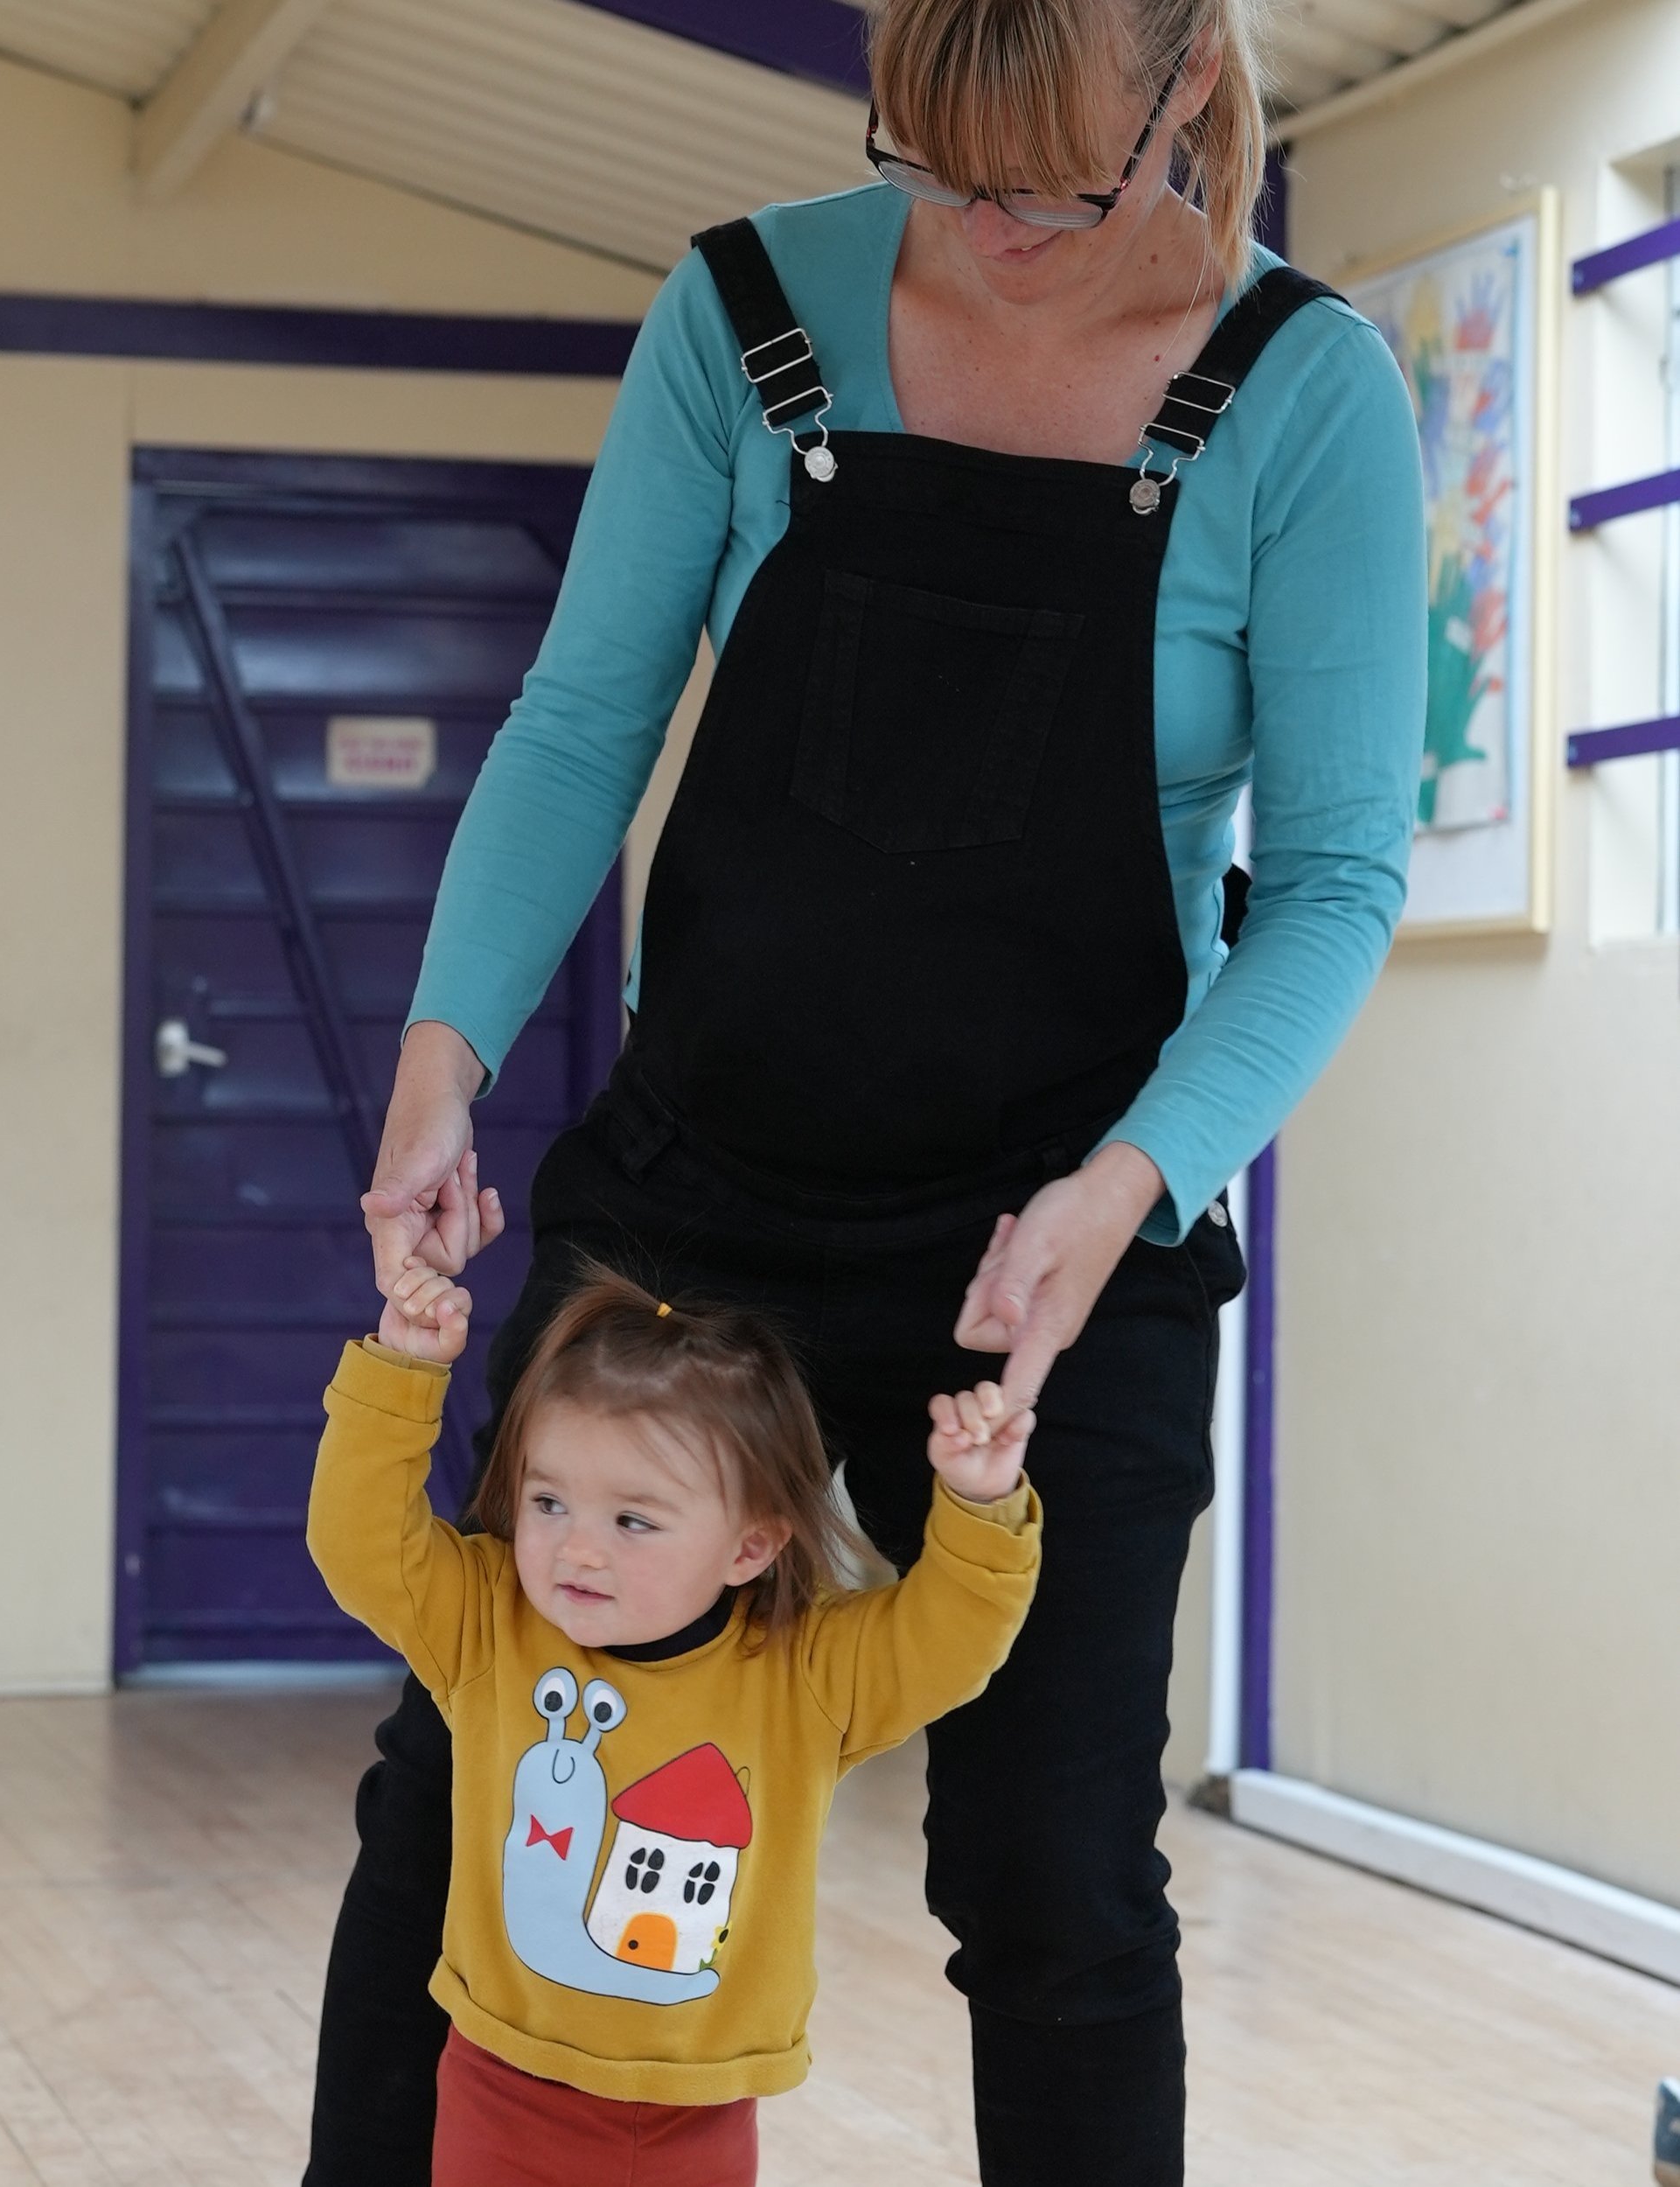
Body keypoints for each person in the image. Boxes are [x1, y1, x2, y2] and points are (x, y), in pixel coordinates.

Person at [303, 0, 1427, 2178]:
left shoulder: (1303, 398)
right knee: (461, 1792)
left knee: (1057, 1880)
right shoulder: (743, 315)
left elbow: (1335, 880)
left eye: (1053, 180)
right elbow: (578, 721)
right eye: (935, 166)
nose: (990, 228)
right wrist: (440, 1058)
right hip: (694, 1210)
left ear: (1187, 86)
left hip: (1054, 1252)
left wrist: (1139, 1182)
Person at [307, 1254, 1042, 2187]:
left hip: (698, 2111)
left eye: (634, 1520)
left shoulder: (803, 1672)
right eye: (547, 1500)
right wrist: (402, 1371)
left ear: (750, 1543)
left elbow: (952, 1641)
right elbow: (358, 1542)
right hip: (500, 2087)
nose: (575, 1545)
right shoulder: (487, 1621)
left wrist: (980, 1505)